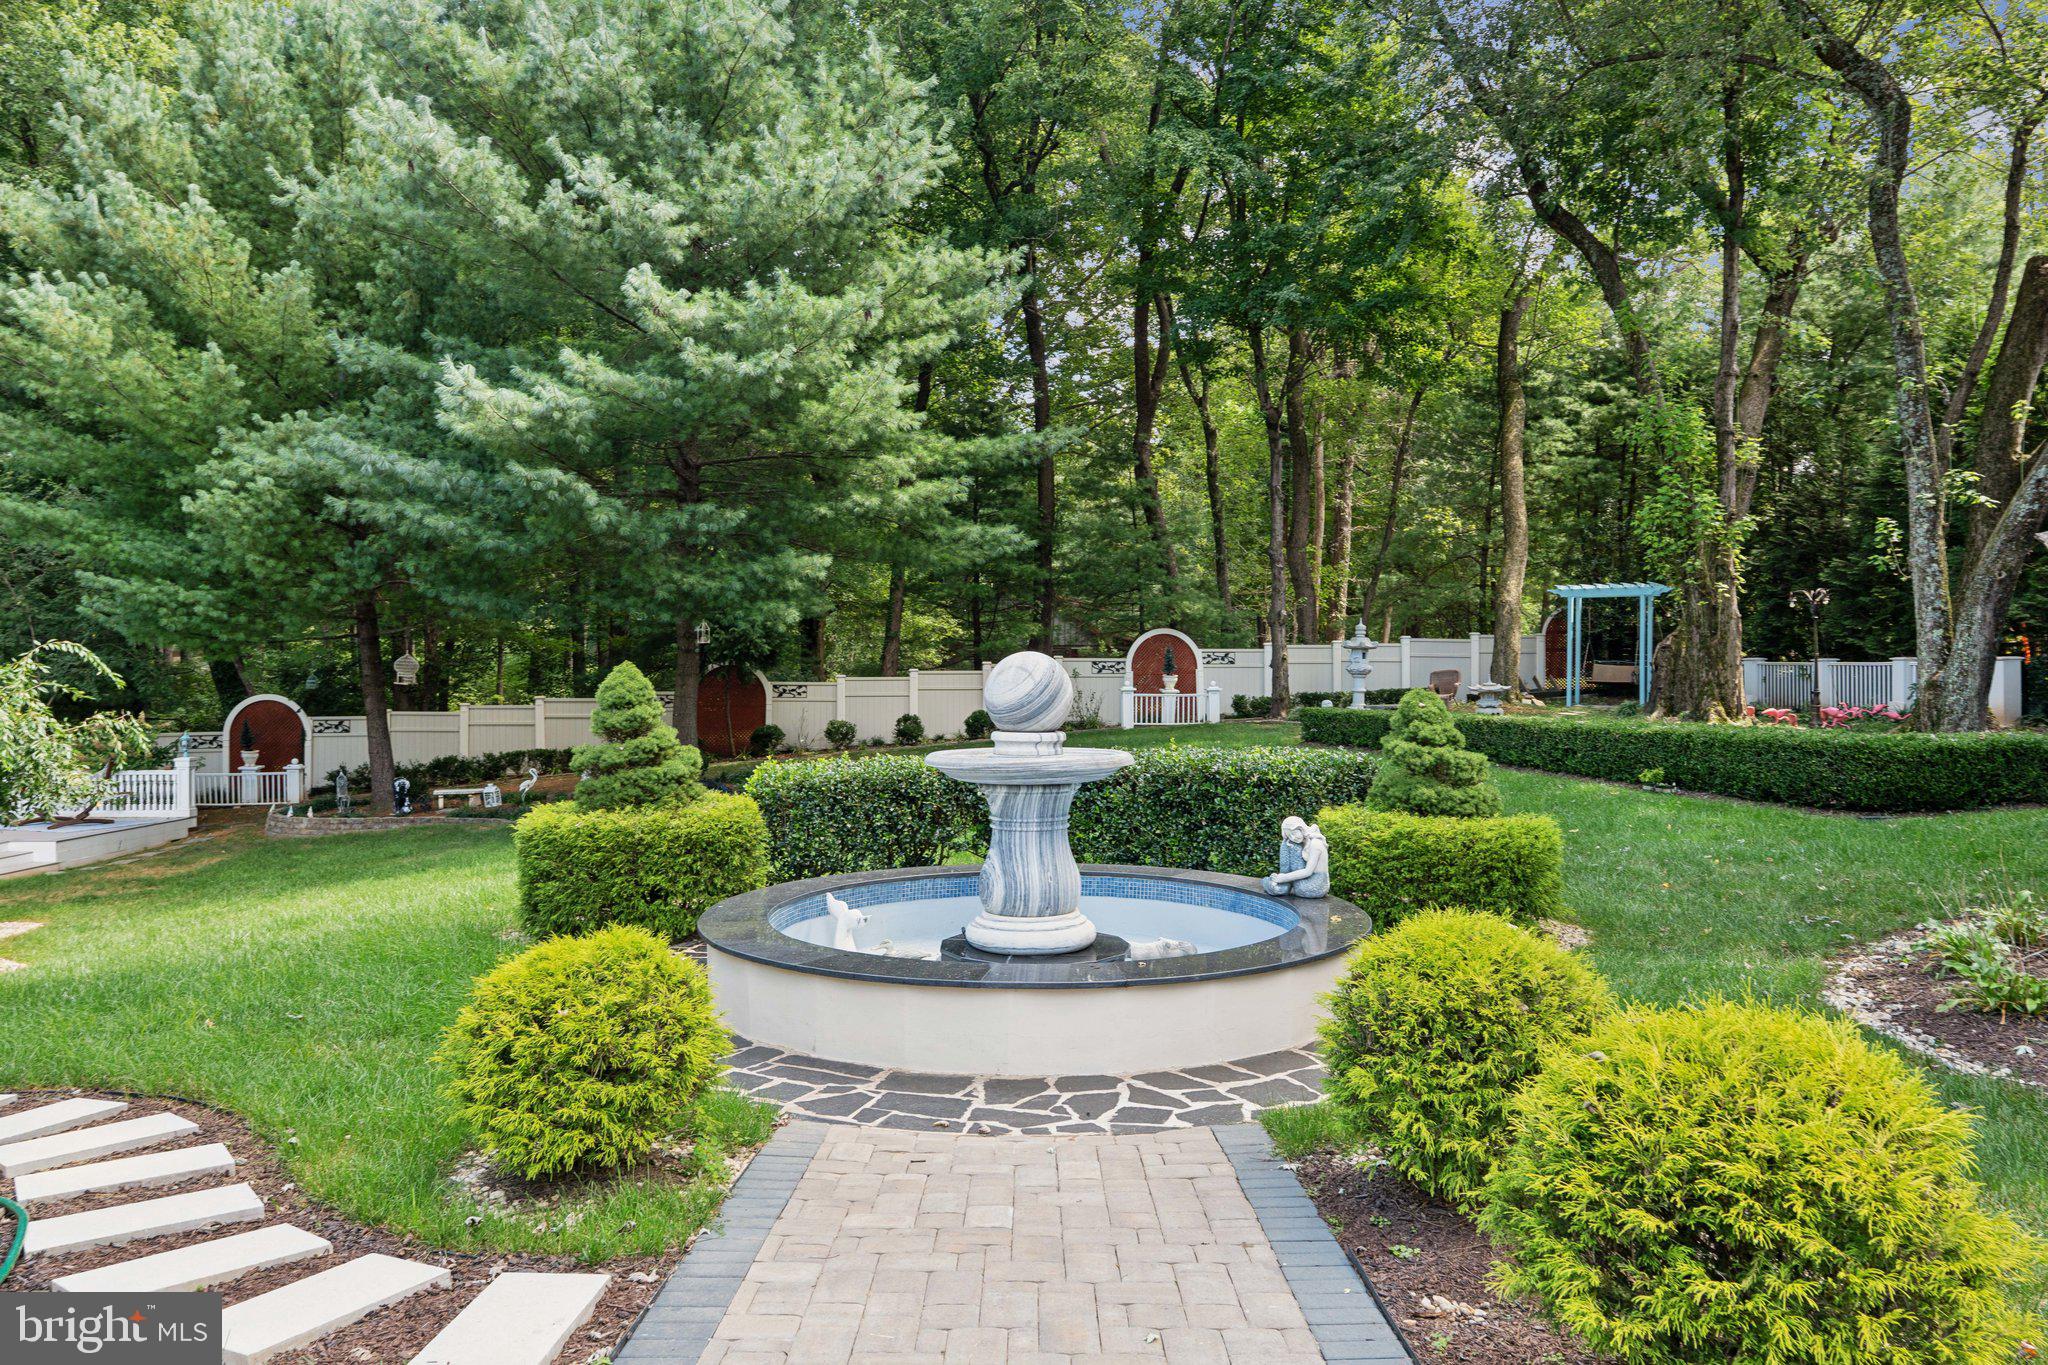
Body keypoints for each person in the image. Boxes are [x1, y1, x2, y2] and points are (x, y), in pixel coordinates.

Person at [1261, 815, 1329, 897]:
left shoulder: (1315, 844)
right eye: (1289, 835)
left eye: (1293, 833)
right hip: (1310, 884)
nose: (1293, 837)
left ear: (1301, 828)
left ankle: (1278, 884)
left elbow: (1308, 872)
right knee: (1288, 843)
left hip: (1314, 886)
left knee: (1289, 844)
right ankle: (1280, 884)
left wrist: (1284, 877)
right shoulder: (1305, 842)